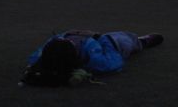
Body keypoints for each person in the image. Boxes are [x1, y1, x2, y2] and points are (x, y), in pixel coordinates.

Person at [21, 30, 164, 86]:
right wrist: (98, 37)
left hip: (100, 41)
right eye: (72, 43)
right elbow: (116, 63)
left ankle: (140, 40)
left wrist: (67, 34)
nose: (72, 40)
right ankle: (144, 41)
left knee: (123, 35)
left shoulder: (49, 53)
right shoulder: (94, 59)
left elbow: (37, 55)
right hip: (113, 44)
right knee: (128, 39)